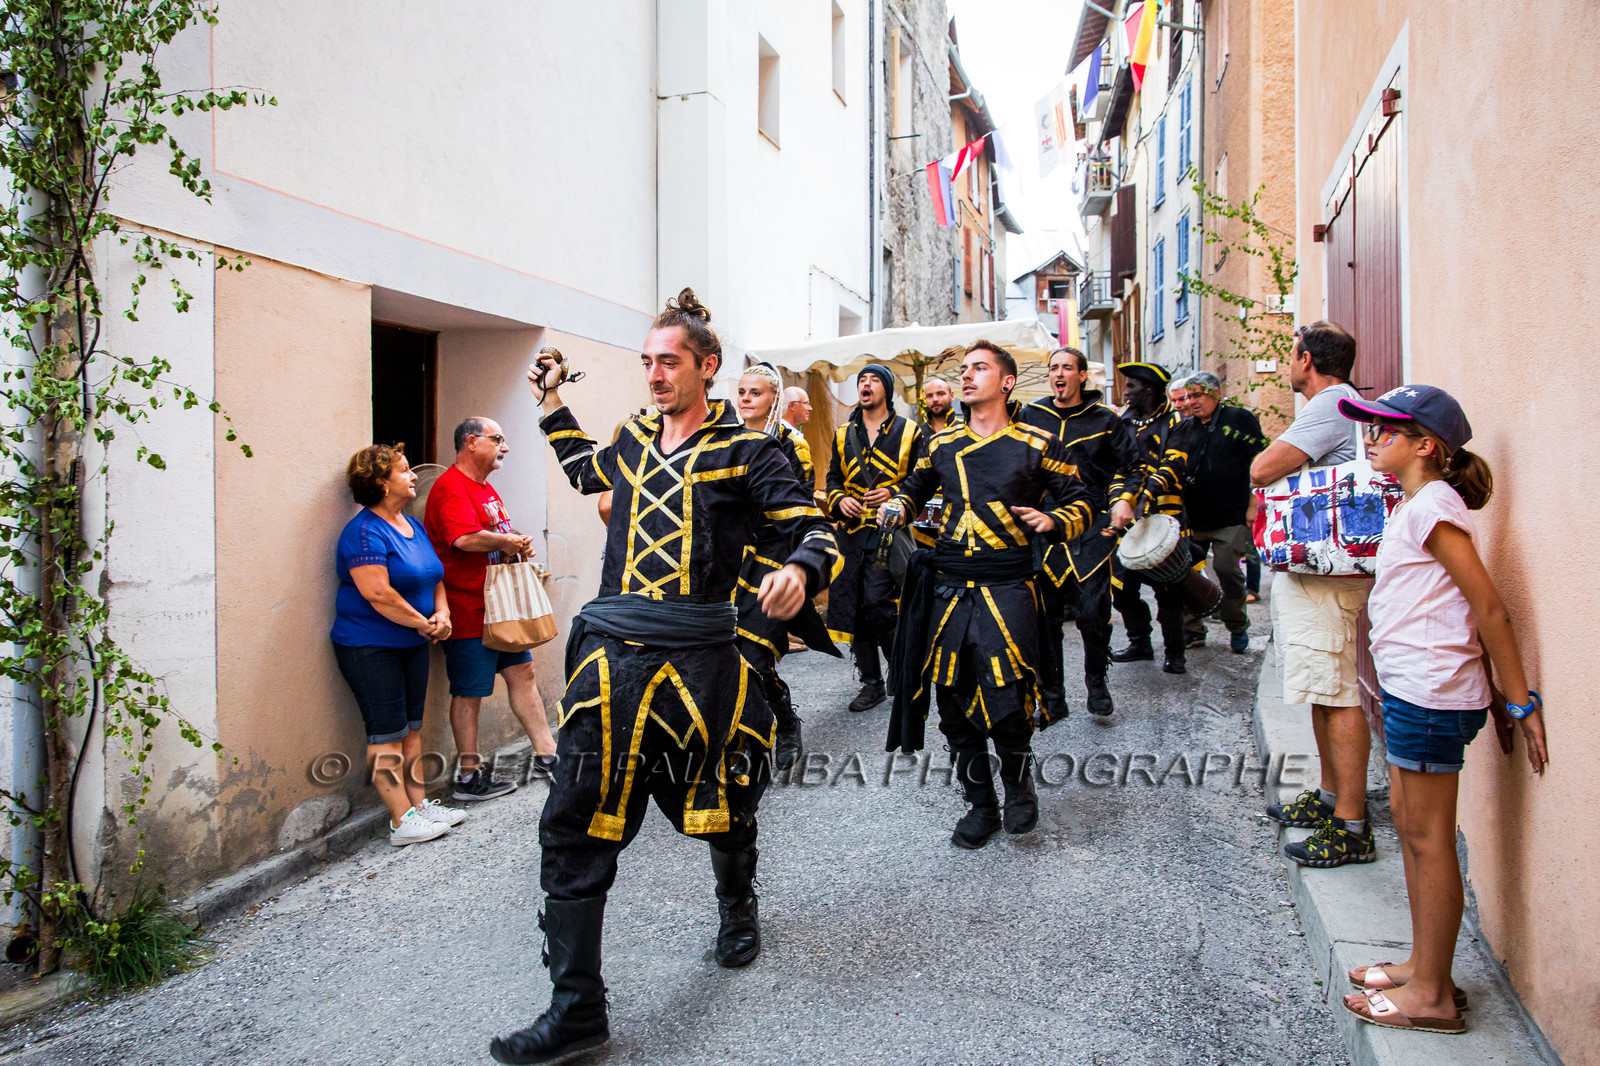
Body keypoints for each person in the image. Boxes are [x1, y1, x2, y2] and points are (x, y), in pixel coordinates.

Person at [489, 290, 841, 1065]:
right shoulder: (633, 436)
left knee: (718, 800)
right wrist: (550, 405)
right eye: (646, 361)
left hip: (701, 664)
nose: (653, 374)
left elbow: (811, 525)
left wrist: (801, 569)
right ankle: (577, 1010)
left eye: (668, 361)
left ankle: (736, 903)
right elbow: (588, 471)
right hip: (613, 659)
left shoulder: (751, 452)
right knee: (574, 823)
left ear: (706, 367)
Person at [1334, 386, 1548, 1036]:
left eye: (1386, 431)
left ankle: (1431, 995)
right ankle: (1424, 964)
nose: (1372, 440)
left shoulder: (1435, 508)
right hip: (1409, 690)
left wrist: (1519, 700)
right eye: (1370, 430)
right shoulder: (1419, 504)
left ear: (1426, 444)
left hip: (1430, 696)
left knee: (1429, 841)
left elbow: (1489, 608)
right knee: (1410, 827)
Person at [881, 341, 1093, 848]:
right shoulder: (942, 444)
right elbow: (915, 484)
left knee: (1005, 697)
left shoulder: (1038, 444)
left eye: (980, 368)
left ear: (1007, 382)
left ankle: (1019, 786)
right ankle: (980, 803)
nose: (967, 376)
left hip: (1008, 584)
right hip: (949, 586)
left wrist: (1055, 520)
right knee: (952, 701)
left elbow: (1083, 498)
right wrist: (900, 506)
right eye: (963, 369)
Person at [1250, 322, 1378, 865]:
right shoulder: (1338, 404)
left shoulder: (1333, 403)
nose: (1289, 364)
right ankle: (1330, 798)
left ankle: (1350, 825)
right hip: (1319, 567)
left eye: (1292, 355)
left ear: (1306, 359)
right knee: (1324, 686)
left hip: (1327, 572)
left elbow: (1263, 467)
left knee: (1338, 689)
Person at [331, 444, 465, 846]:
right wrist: (426, 625)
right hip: (370, 646)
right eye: (404, 471)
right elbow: (378, 594)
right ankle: (399, 820)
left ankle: (420, 807)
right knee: (385, 734)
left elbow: (434, 576)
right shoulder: (364, 531)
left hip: (413, 640)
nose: (413, 477)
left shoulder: (413, 525)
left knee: (411, 730)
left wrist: (443, 614)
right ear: (379, 483)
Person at [424, 418, 558, 802]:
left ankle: (548, 756)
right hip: (469, 609)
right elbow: (463, 538)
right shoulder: (451, 487)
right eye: (497, 439)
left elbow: (492, 535)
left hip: (500, 608)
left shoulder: (483, 488)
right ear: (470, 442)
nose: (505, 447)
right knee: (470, 692)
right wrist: (509, 540)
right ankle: (469, 776)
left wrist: (514, 544)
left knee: (524, 671)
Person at [1017, 346, 1139, 718]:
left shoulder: (1105, 419)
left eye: (1067, 367)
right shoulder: (1030, 415)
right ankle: (1052, 695)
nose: (1059, 374)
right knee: (1046, 617)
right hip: (1043, 527)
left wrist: (1122, 499)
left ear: (1082, 375)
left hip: (1091, 526)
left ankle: (1096, 682)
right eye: (1053, 368)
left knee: (1091, 613)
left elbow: (1130, 467)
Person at [733, 363, 839, 771]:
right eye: (741, 391)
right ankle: (740, 740)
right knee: (728, 658)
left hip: (774, 560)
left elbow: (797, 508)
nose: (745, 399)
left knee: (755, 659)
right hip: (732, 565)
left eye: (755, 392)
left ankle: (785, 721)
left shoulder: (791, 443)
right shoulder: (725, 440)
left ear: (773, 398)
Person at [825, 363, 926, 712]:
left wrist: (894, 493)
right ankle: (872, 683)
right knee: (854, 609)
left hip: (889, 533)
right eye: (861, 381)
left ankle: (901, 669)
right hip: (851, 535)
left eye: (873, 380)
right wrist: (840, 500)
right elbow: (833, 479)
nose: (865, 385)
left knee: (878, 605)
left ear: (886, 389)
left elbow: (922, 481)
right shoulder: (843, 433)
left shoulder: (911, 432)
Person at [1174, 370, 1269, 653]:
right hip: (1193, 515)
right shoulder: (1186, 426)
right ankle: (1192, 630)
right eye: (1188, 396)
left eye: (1197, 395)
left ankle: (1237, 626)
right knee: (1184, 572)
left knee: (1227, 569)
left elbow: (1260, 459)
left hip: (1232, 513)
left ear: (1215, 393)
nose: (1191, 402)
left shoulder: (1239, 419)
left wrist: (1254, 502)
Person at [1108, 362, 1194, 674]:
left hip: (1166, 515)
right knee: (1122, 586)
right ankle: (1139, 642)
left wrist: (1145, 495)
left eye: (1131, 386)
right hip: (1127, 515)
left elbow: (1175, 464)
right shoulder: (1123, 422)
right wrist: (1121, 499)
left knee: (1168, 589)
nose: (1125, 391)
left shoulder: (1177, 421)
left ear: (1148, 388)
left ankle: (1175, 653)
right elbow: (1116, 467)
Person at [778, 385, 815, 484]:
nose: (810, 408)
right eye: (806, 403)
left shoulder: (787, 434)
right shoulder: (782, 437)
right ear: (792, 406)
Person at [918, 375, 958, 439]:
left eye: (940, 394)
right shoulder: (918, 434)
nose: (935, 399)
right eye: (930, 396)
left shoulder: (966, 429)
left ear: (951, 396)